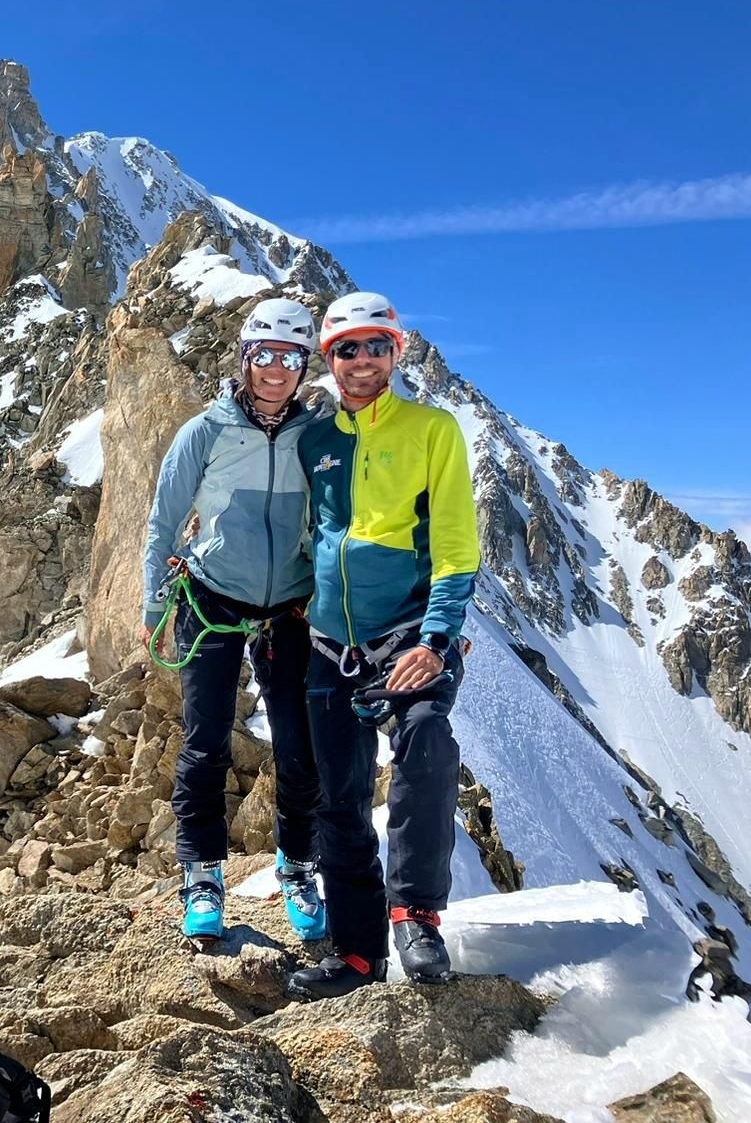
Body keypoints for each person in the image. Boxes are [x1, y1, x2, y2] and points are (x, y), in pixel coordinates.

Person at [285, 291, 480, 999]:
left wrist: (437, 638)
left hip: (408, 636)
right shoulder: (315, 439)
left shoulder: (434, 430)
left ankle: (417, 915)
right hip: (331, 643)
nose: (362, 361)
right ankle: (359, 953)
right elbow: (305, 532)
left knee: (426, 740)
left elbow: (457, 544)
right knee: (337, 798)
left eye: (376, 347)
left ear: (398, 352)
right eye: (346, 349)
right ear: (328, 360)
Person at [141, 298, 327, 942]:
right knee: (206, 739)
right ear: (245, 358)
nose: (276, 370)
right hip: (212, 598)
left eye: (291, 358)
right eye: (265, 355)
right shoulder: (206, 431)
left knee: (298, 748)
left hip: (290, 608)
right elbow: (164, 522)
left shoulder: (317, 435)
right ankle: (201, 873)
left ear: (306, 366)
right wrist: (153, 607)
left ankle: (298, 866)